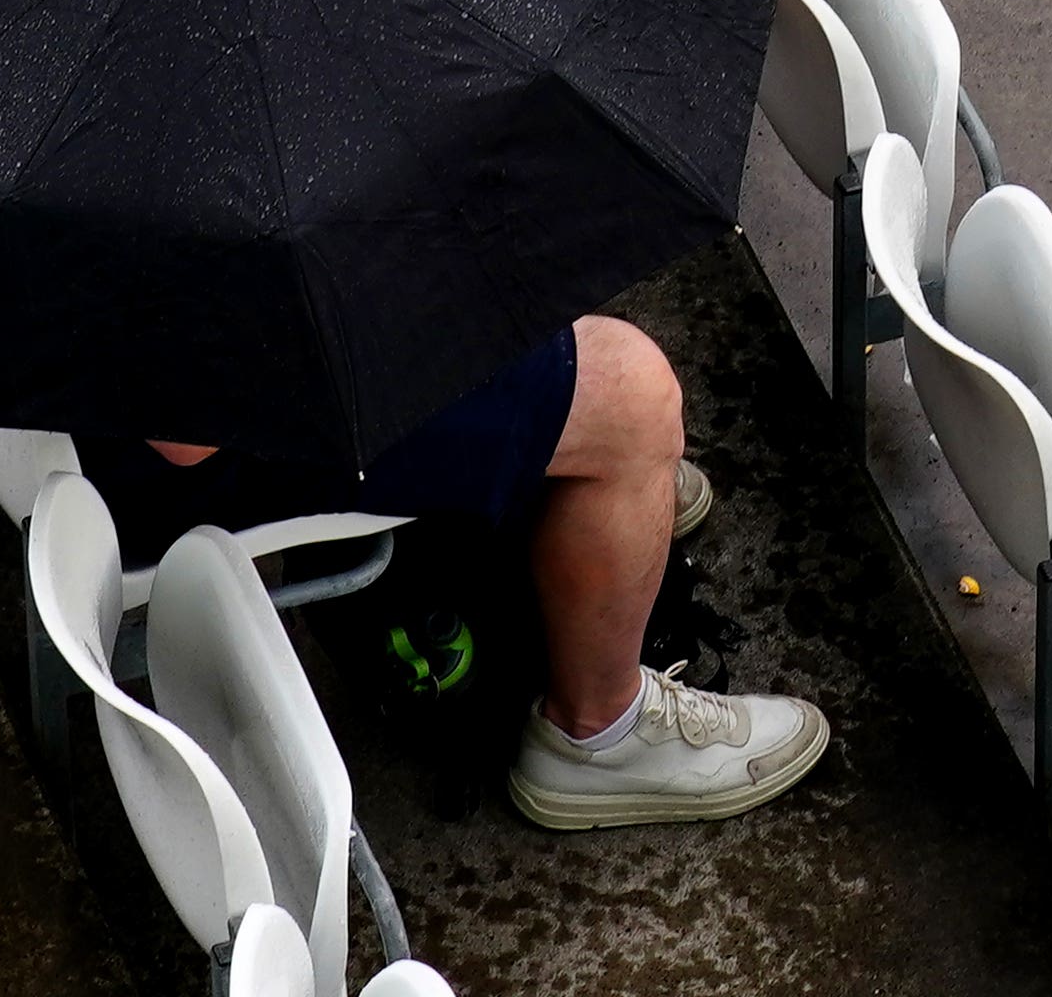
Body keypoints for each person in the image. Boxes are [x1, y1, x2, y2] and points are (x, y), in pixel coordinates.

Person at [100, 312, 829, 830]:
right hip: (202, 454)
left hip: (186, 396)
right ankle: (598, 736)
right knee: (633, 396)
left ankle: (597, 480)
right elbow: (185, 430)